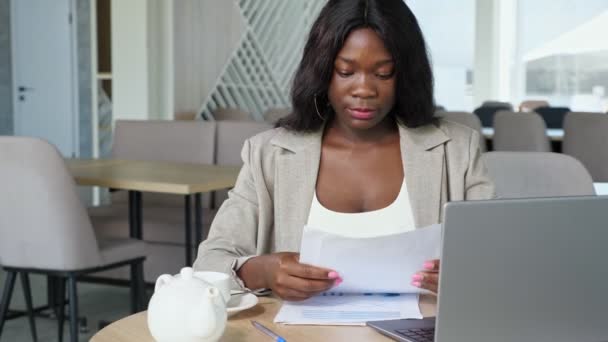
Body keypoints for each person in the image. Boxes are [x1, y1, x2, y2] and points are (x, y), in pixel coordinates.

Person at [193, 0, 494, 301]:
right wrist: (263, 271)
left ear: (405, 74)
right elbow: (209, 263)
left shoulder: (457, 152)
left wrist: (466, 277)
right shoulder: (269, 156)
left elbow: (499, 263)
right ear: (322, 71)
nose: (364, 89)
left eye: (384, 73)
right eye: (346, 72)